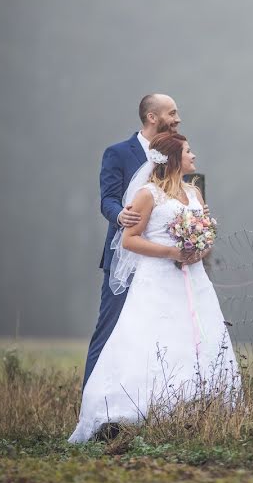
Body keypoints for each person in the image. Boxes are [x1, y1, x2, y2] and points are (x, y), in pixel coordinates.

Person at [69, 132, 241, 443]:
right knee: (154, 339)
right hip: (158, 278)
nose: (194, 157)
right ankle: (132, 410)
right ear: (174, 159)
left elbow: (206, 235)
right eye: (188, 151)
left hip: (194, 278)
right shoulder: (148, 195)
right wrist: (173, 253)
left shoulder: (194, 194)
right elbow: (129, 239)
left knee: (198, 336)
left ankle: (197, 407)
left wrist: (199, 250)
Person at [83, 94, 182, 390]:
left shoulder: (175, 152)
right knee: (110, 329)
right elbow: (108, 199)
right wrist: (119, 216)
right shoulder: (118, 153)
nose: (177, 119)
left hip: (161, 261)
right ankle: (91, 404)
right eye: (172, 113)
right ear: (153, 117)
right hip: (124, 255)